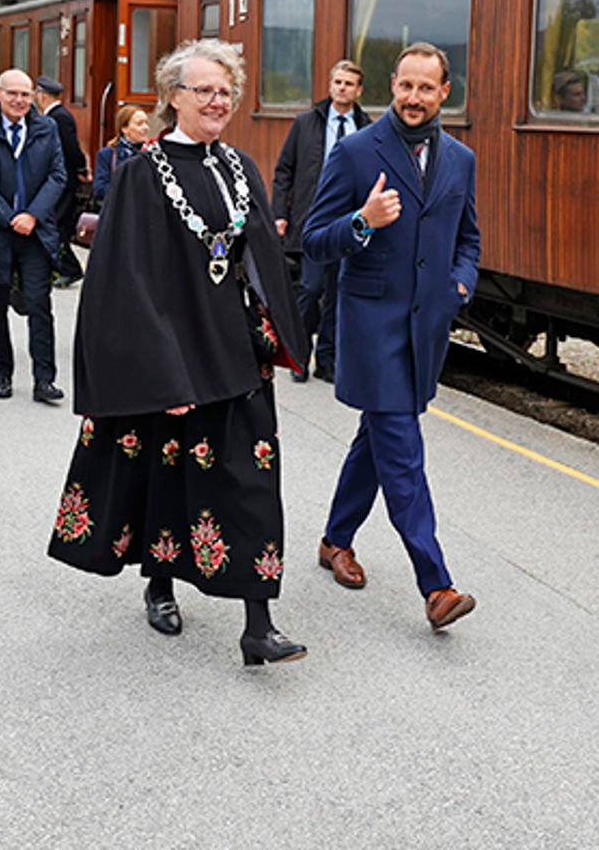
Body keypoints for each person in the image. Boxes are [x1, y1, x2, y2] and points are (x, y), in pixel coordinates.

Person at [48, 38, 310, 666]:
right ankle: (160, 584)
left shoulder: (241, 167)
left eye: (225, 92)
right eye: (204, 91)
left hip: (234, 348)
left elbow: (260, 260)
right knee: (166, 477)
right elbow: (127, 276)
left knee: (251, 480)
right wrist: (161, 369)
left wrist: (278, 328)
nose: (217, 101)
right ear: (173, 97)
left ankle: (257, 624)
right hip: (170, 350)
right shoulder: (143, 171)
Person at [302, 41, 481, 632]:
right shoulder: (356, 152)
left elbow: (468, 241)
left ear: (443, 93)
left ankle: (335, 540)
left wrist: (459, 286)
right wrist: (362, 222)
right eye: (405, 86)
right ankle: (436, 585)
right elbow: (315, 238)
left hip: (426, 329)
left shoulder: (461, 159)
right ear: (393, 86)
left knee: (375, 441)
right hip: (372, 327)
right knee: (402, 452)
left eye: (425, 88)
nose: (413, 97)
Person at [0, 68, 67, 405]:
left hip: (34, 232)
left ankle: (44, 379)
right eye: (13, 94)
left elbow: (57, 174)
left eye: (26, 94)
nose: (20, 100)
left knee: (39, 303)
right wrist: (10, 217)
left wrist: (32, 214)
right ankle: (3, 374)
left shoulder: (46, 128)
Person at [271, 59, 370, 383]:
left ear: (358, 90)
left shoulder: (367, 127)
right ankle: (298, 358)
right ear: (331, 85)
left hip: (348, 221)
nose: (342, 87)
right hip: (313, 219)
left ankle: (327, 361)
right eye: (337, 82)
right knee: (311, 288)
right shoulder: (306, 123)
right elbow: (284, 170)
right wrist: (280, 214)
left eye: (349, 83)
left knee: (338, 291)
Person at [34, 74, 87, 287]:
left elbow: (70, 147)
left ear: (43, 96)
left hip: (63, 180)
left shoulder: (59, 117)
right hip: (60, 179)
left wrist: (81, 167)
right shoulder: (57, 115)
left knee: (56, 225)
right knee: (56, 224)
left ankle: (70, 269)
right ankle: (60, 267)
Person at [91, 104, 151, 206]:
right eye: (139, 124)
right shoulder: (107, 154)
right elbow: (100, 189)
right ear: (124, 128)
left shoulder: (152, 153)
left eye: (146, 123)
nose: (145, 128)